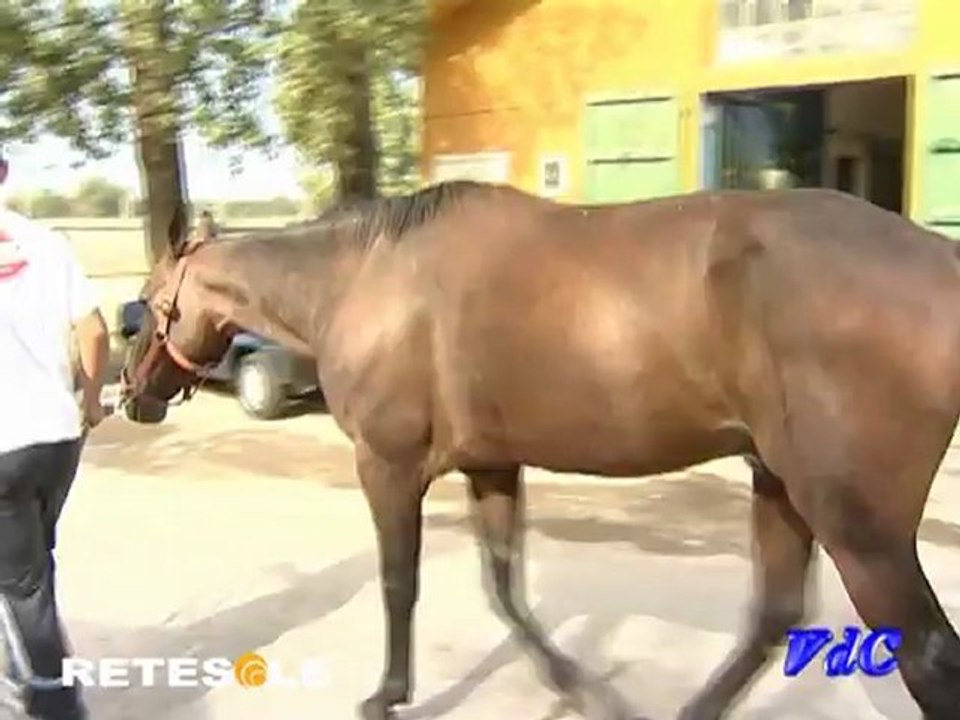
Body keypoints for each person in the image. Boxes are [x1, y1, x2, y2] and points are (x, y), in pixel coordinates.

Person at [0, 147, 110, 719]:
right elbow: (93, 331)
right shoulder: (47, 243)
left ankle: (54, 704)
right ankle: (31, 672)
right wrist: (89, 400)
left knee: (21, 585)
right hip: (56, 439)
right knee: (32, 566)